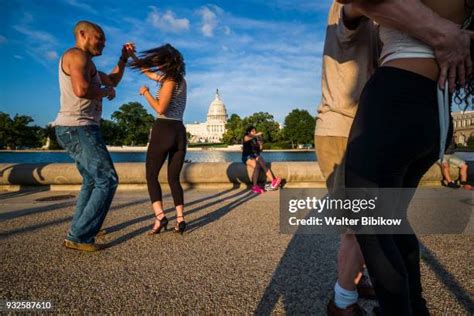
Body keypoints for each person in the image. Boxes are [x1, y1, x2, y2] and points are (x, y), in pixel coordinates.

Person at [338, 1, 472, 315]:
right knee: (393, 219)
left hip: (395, 97)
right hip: (436, 110)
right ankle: (416, 307)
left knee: (371, 222)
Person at [54, 21, 133, 252]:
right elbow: (82, 90)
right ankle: (79, 235)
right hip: (78, 127)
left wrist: (123, 59)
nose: (104, 44)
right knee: (107, 179)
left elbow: (113, 79)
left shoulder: (89, 65)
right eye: (100, 38)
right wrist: (105, 92)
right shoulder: (76, 56)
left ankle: (82, 227)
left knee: (91, 180)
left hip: (78, 127)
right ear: (82, 34)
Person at [129, 44, 188, 235]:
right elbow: (151, 74)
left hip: (164, 129)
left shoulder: (169, 81)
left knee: (151, 175)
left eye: (160, 62)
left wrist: (145, 93)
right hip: (179, 130)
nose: (158, 67)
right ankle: (180, 220)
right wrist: (134, 58)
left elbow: (161, 108)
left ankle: (160, 216)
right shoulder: (181, 80)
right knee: (173, 178)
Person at [242, 126, 281, 194]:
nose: (254, 132)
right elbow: (246, 139)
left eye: (255, 131)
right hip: (247, 157)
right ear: (249, 132)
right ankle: (255, 187)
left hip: (255, 156)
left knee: (261, 160)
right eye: (253, 131)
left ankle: (273, 182)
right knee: (258, 166)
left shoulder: (255, 139)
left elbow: (259, 150)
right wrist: (256, 135)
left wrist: (261, 144)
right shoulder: (246, 137)